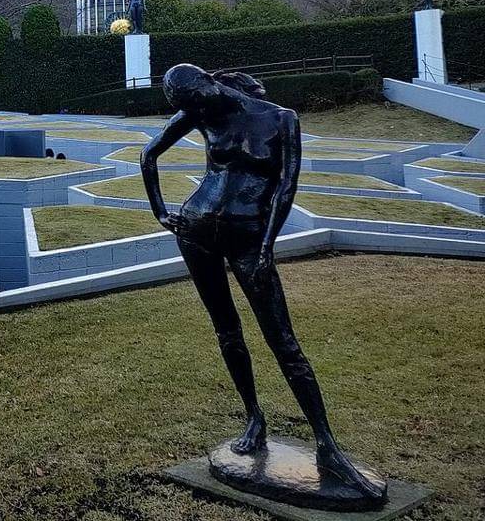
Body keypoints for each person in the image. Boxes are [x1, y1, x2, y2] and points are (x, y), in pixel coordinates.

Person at [140, 63, 384, 503]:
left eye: (198, 103)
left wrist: (268, 245)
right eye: (188, 109)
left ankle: (327, 443)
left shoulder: (281, 118)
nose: (196, 114)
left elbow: (285, 187)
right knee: (227, 331)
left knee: (284, 343)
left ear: (210, 84)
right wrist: (161, 211)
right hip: (196, 230)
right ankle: (254, 418)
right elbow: (149, 154)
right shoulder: (199, 110)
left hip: (251, 237)